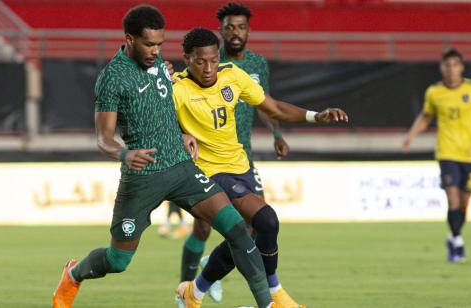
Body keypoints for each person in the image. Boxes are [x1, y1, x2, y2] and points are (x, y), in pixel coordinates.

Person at [51, 5, 279, 308]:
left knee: (237, 228)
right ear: (129, 39)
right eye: (148, 44)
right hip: (143, 177)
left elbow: (164, 106)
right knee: (118, 260)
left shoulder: (159, 63)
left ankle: (268, 305)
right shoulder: (112, 78)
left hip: (182, 168)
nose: (155, 51)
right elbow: (102, 138)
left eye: (159, 44)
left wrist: (180, 133)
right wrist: (124, 153)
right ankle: (74, 273)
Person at [173, 27, 348, 308]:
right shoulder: (176, 88)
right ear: (186, 59)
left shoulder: (233, 75)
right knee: (267, 220)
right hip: (208, 172)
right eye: (199, 61)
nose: (208, 68)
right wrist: (178, 134)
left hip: (240, 165)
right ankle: (275, 294)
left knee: (246, 235)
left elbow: (274, 108)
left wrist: (317, 116)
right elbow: (151, 126)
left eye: (213, 60)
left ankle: (194, 292)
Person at [178, 2, 291, 304]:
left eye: (240, 27)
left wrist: (277, 132)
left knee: (255, 226)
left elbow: (264, 103)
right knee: (203, 226)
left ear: (249, 30)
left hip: (242, 155)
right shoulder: (209, 59)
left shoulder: (257, 64)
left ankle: (198, 285)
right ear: (221, 31)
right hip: (208, 158)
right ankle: (187, 284)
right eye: (229, 27)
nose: (235, 32)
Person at [403, 48, 471, 263]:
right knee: (452, 198)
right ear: (442, 68)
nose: (451, 69)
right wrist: (411, 136)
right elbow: (425, 117)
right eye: (447, 65)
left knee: (464, 202)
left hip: (470, 154)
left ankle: (453, 236)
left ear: (461, 67)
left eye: (455, 65)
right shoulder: (434, 92)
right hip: (447, 152)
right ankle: (457, 241)